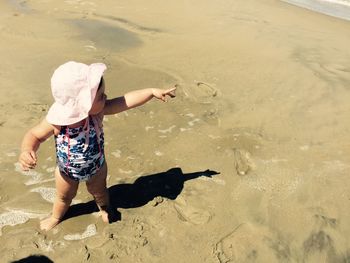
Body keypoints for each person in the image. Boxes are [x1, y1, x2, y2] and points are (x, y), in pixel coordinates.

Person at [19, 61, 176, 231]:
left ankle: (104, 209)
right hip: (66, 172)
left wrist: (151, 92)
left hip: (97, 166)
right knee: (63, 197)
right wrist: (27, 150)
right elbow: (34, 135)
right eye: (101, 96)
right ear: (82, 103)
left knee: (100, 192)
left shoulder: (97, 112)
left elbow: (125, 101)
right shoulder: (57, 121)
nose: (106, 97)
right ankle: (56, 217)